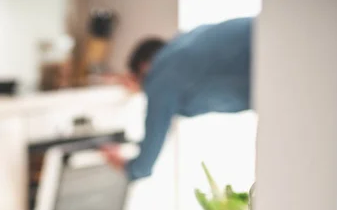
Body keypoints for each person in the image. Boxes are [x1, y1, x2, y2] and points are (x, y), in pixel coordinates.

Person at [103, 17, 253, 181]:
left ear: (144, 66)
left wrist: (123, 164)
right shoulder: (184, 42)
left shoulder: (160, 76)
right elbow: (161, 130)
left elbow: (144, 166)